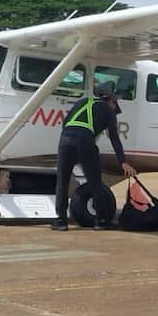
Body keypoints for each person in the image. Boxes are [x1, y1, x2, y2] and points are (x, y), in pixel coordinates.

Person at [52, 83, 136, 231]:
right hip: (84, 140)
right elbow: (114, 138)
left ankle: (61, 221)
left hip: (65, 140)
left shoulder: (82, 102)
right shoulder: (108, 111)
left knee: (62, 181)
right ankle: (101, 221)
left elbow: (65, 123)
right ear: (111, 100)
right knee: (95, 182)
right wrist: (123, 162)